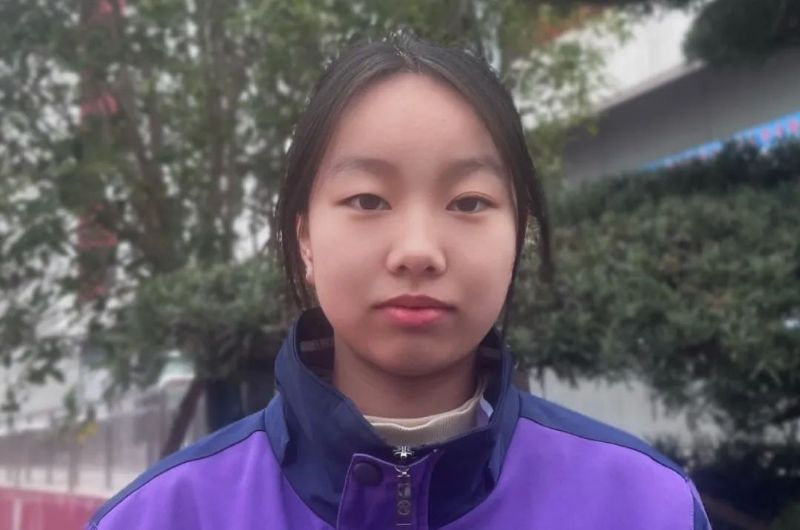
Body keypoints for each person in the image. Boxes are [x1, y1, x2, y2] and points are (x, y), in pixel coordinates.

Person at [86, 33, 712, 530]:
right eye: (367, 199)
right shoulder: (162, 516)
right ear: (305, 239)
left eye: (469, 202)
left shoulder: (645, 507)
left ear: (518, 236)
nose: (418, 251)